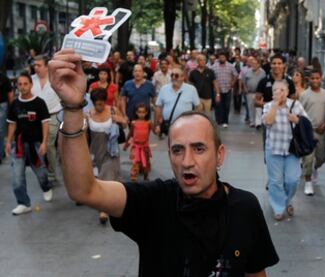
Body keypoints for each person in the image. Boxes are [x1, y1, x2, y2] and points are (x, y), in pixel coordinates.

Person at [48, 48, 279, 276]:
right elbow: (84, 190)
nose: (187, 161)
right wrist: (72, 107)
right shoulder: (153, 203)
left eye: (199, 149)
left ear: (220, 155)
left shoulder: (244, 208)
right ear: (169, 156)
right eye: (178, 150)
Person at [6, 72, 53, 215]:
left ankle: (46, 187)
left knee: (41, 173)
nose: (22, 87)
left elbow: (45, 124)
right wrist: (8, 142)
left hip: (36, 144)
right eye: (19, 84)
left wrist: (44, 143)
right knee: (17, 176)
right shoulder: (15, 104)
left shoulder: (39, 103)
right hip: (19, 145)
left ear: (31, 85)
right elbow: (12, 124)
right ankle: (23, 203)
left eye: (25, 83)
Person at [263, 80, 308, 221]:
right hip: (273, 148)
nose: (279, 93)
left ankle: (286, 200)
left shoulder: (295, 105)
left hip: (292, 150)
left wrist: (297, 120)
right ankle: (279, 207)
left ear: (288, 92)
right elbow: (268, 122)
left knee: (292, 180)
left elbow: (307, 124)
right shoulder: (268, 106)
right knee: (275, 181)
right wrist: (275, 106)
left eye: (282, 90)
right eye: (276, 90)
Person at [87, 88, 127, 224]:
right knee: (99, 178)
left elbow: (125, 123)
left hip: (111, 150)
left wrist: (119, 119)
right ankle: (112, 202)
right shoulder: (88, 114)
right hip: (95, 150)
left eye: (102, 103)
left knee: (107, 175)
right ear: (93, 103)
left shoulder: (112, 110)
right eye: (97, 104)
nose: (100, 106)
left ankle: (104, 210)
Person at [31, 55, 62, 184]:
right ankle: (43, 169)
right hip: (35, 118)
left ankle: (52, 173)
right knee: (38, 145)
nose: (36, 68)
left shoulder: (54, 78)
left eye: (39, 65)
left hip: (53, 116)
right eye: (35, 65)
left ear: (46, 66)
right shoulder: (31, 80)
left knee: (49, 145)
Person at [299, 69, 325, 196]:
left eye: (317, 78)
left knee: (321, 158)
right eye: (312, 78)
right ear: (308, 80)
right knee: (308, 158)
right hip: (308, 132)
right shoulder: (304, 95)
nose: (315, 80)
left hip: (321, 131)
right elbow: (299, 113)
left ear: (321, 78)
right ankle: (308, 181)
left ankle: (315, 168)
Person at [155, 67, 201, 136]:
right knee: (172, 145)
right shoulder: (164, 89)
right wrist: (158, 123)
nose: (173, 77)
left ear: (183, 78)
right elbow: (158, 106)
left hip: (186, 126)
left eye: (176, 75)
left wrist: (194, 121)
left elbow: (198, 106)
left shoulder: (191, 89)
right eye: (172, 75)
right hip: (170, 126)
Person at [124, 103, 154, 182]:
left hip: (145, 147)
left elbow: (154, 131)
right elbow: (130, 134)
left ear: (146, 112)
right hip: (136, 147)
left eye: (143, 112)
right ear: (136, 113)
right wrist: (126, 144)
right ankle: (133, 179)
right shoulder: (134, 123)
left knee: (146, 163)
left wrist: (158, 129)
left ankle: (145, 177)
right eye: (139, 112)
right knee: (135, 163)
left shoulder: (149, 123)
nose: (141, 114)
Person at [211, 52, 238, 128]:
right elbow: (211, 76)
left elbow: (236, 75)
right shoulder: (214, 67)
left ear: (226, 58)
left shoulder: (230, 66)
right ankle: (218, 121)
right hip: (217, 89)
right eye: (220, 57)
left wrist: (233, 82)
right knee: (218, 105)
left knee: (227, 106)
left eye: (223, 57)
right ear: (218, 58)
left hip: (227, 88)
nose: (222, 58)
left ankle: (225, 121)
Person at [241, 56, 266, 128]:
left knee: (258, 108)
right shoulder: (247, 71)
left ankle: (258, 122)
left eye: (255, 64)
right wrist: (245, 88)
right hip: (250, 92)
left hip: (259, 93)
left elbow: (264, 82)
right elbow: (243, 81)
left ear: (259, 65)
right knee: (250, 107)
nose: (253, 65)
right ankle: (252, 121)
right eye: (252, 64)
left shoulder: (263, 72)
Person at [0, 71, 13, 164]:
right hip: (3, 105)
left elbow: (10, 93)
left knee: (1, 130)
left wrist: (12, 107)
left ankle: (0, 154)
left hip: (2, 105)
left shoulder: (3, 78)